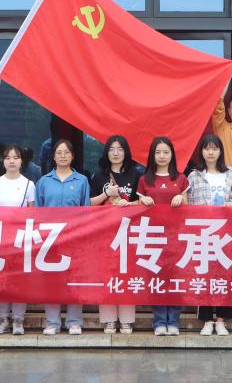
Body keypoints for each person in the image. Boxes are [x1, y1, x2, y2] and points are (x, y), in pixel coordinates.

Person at [35, 139, 90, 335]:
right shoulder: (44, 181)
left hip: (74, 238)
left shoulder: (82, 180)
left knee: (74, 279)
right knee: (52, 281)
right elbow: (37, 212)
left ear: (72, 156)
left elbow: (85, 210)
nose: (63, 156)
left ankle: (74, 321)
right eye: (59, 152)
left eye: (66, 152)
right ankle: (52, 322)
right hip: (50, 240)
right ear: (53, 156)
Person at [90, 135, 142, 335]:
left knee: (127, 275)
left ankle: (127, 320)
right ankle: (109, 320)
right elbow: (89, 203)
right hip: (105, 233)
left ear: (126, 152)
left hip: (129, 231)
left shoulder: (135, 175)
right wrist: (107, 194)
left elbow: (144, 202)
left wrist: (129, 203)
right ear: (106, 152)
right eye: (112, 149)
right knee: (107, 275)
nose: (116, 152)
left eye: (120, 149)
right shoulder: (99, 176)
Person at [137, 136, 189, 336]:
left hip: (177, 236)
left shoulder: (181, 178)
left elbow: (188, 206)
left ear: (172, 155)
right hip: (152, 236)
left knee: (175, 278)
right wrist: (143, 201)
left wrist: (180, 198)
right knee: (156, 278)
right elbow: (138, 207)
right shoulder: (144, 180)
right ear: (152, 155)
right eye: (158, 152)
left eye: (166, 152)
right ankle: (159, 321)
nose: (162, 156)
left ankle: (173, 321)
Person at [187, 134, 232, 336]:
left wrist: (229, 205)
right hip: (203, 231)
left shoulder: (231, 173)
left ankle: (222, 320)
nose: (210, 152)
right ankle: (207, 320)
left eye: (214, 148)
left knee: (225, 274)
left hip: (226, 231)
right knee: (203, 274)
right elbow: (188, 204)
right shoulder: (194, 176)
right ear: (201, 151)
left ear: (220, 151)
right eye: (207, 148)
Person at [0, 144, 36, 336]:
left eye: (16, 157)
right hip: (0, 238)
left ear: (21, 160)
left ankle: (18, 319)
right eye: (8, 158)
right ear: (3, 161)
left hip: (20, 239)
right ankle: (2, 319)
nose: (12, 161)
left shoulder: (29, 184)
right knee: (0, 280)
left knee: (19, 280)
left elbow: (32, 214)